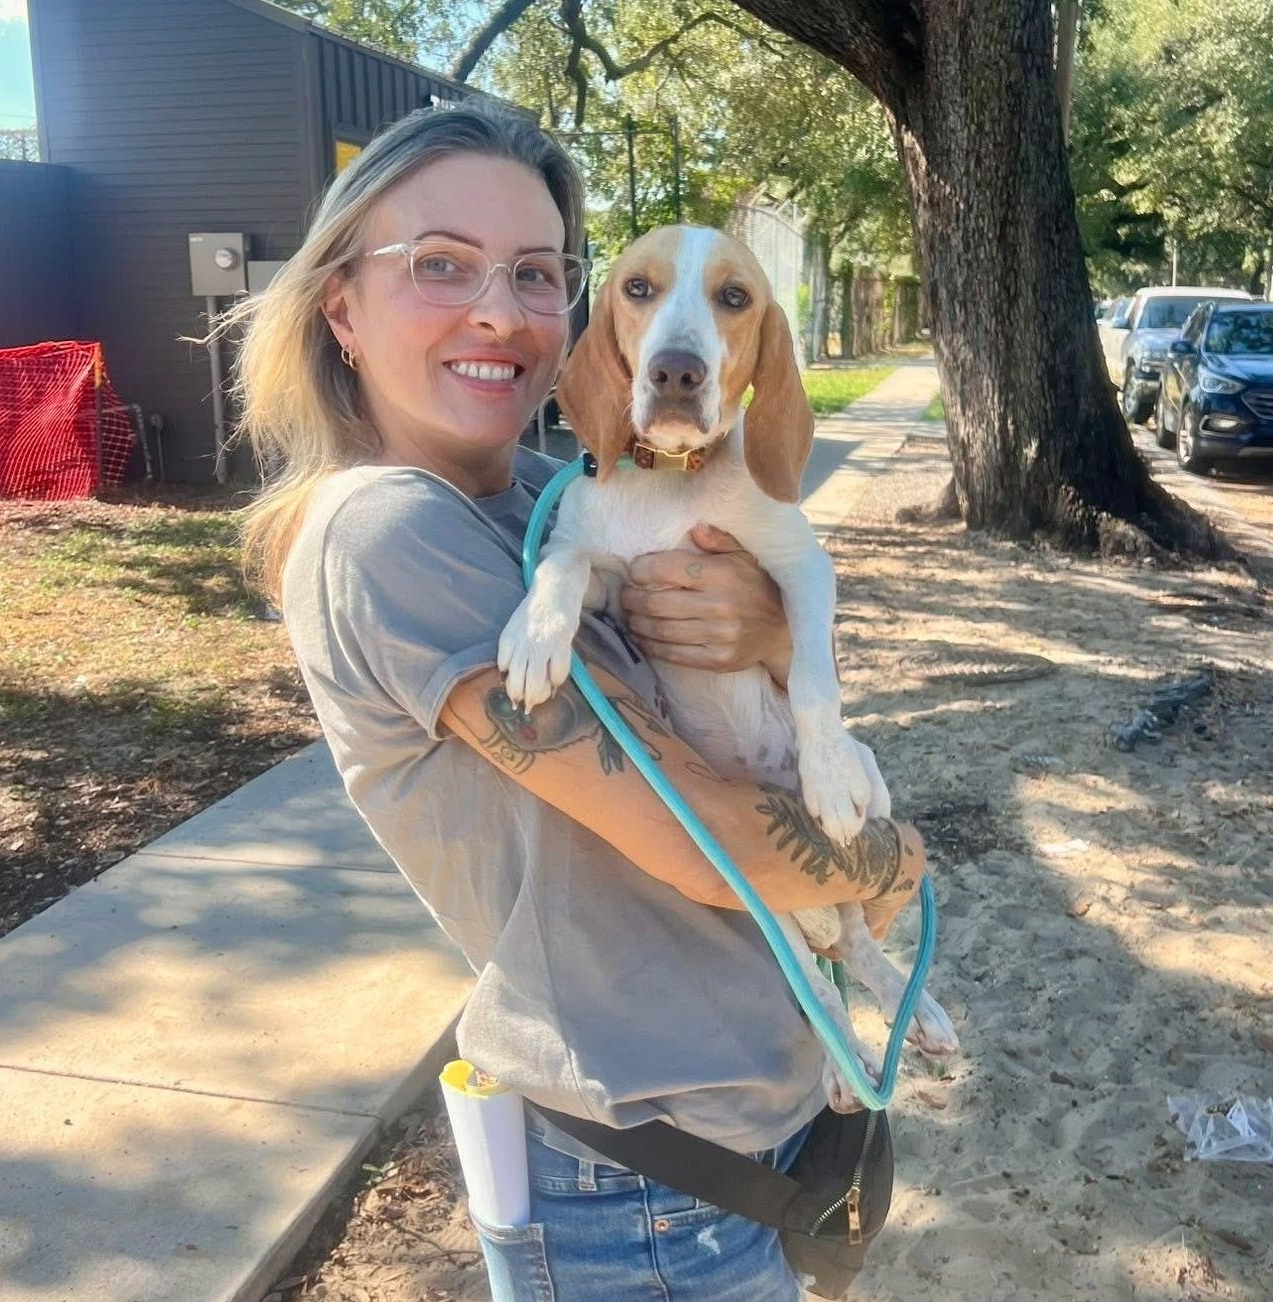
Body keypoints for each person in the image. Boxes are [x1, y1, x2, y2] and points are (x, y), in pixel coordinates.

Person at [227, 101, 924, 1302]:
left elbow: (746, 622)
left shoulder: (561, 489)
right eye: (440, 264)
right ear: (341, 303)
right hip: (645, 1193)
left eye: (536, 273)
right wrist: (900, 864)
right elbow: (705, 839)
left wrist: (760, 630)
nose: (498, 309)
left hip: (753, 1117)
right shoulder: (386, 529)